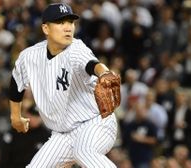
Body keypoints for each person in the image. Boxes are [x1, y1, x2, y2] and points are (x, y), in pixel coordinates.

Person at [8, 3, 120, 168]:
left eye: (71, 22)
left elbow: (92, 64)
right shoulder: (29, 57)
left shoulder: (76, 49)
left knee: (84, 152)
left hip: (96, 123)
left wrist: (103, 73)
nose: (68, 28)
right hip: (63, 135)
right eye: (61, 23)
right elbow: (16, 82)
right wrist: (15, 116)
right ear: (46, 28)